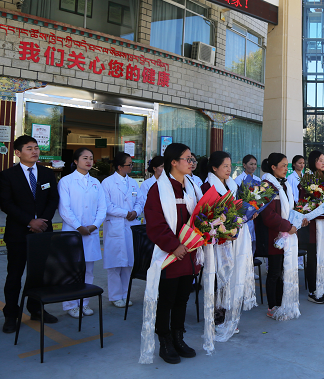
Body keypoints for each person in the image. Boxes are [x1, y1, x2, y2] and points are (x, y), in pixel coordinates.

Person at [141, 143, 202, 364]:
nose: (191, 162)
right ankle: (165, 341)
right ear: (174, 162)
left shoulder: (192, 186)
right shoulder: (158, 189)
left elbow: (201, 215)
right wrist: (174, 245)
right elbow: (155, 224)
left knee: (182, 298)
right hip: (170, 255)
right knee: (166, 300)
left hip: (190, 253)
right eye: (187, 158)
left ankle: (178, 337)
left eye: (192, 158)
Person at [0, 135, 60, 332]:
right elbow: (6, 203)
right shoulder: (8, 175)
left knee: (39, 275)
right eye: (29, 148)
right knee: (14, 275)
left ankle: (36, 309)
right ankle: (11, 314)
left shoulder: (47, 173)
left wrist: (42, 222)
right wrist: (29, 221)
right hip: (18, 233)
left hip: (42, 232)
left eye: (36, 147)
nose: (34, 151)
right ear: (18, 153)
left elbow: (53, 199)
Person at [201, 150, 254, 340]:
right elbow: (206, 215)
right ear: (214, 168)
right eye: (225, 166)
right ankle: (217, 319)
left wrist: (249, 212)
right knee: (218, 279)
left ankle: (228, 313)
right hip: (217, 241)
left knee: (230, 277)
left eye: (230, 166)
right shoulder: (207, 187)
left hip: (233, 238)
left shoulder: (232, 185)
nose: (229, 169)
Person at [255, 153, 306, 320]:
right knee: (274, 272)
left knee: (283, 271)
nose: (286, 168)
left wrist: (301, 218)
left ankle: (282, 302)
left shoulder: (283, 184)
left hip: (287, 234)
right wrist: (287, 226)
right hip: (274, 236)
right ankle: (272, 306)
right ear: (273, 167)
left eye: (286, 165)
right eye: (283, 165)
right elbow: (268, 215)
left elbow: (292, 207)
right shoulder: (265, 185)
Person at [57, 148, 106, 318]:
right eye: (85, 158)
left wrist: (94, 225)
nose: (89, 161)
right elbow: (64, 209)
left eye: (91, 158)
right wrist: (79, 227)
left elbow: (102, 207)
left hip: (91, 232)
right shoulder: (66, 181)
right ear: (76, 161)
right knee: (71, 269)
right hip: (72, 232)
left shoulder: (96, 182)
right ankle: (71, 305)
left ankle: (84, 303)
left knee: (88, 270)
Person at [102, 152, 142, 308]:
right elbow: (107, 206)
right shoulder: (107, 183)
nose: (131, 166)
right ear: (119, 167)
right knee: (114, 264)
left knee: (128, 264)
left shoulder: (132, 183)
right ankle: (115, 296)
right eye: (129, 164)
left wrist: (136, 212)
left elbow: (140, 201)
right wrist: (126, 213)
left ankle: (125, 294)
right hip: (116, 225)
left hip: (130, 226)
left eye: (132, 164)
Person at [300, 150, 324, 304]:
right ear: (313, 161)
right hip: (313, 227)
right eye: (320, 160)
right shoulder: (307, 179)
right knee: (313, 259)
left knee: (322, 257)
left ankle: (321, 289)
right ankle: (313, 291)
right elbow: (306, 206)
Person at [234, 154, 259, 254]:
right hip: (243, 215)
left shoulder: (258, 180)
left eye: (255, 164)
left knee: (253, 241)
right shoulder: (238, 179)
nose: (253, 167)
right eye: (251, 164)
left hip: (255, 214)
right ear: (244, 165)